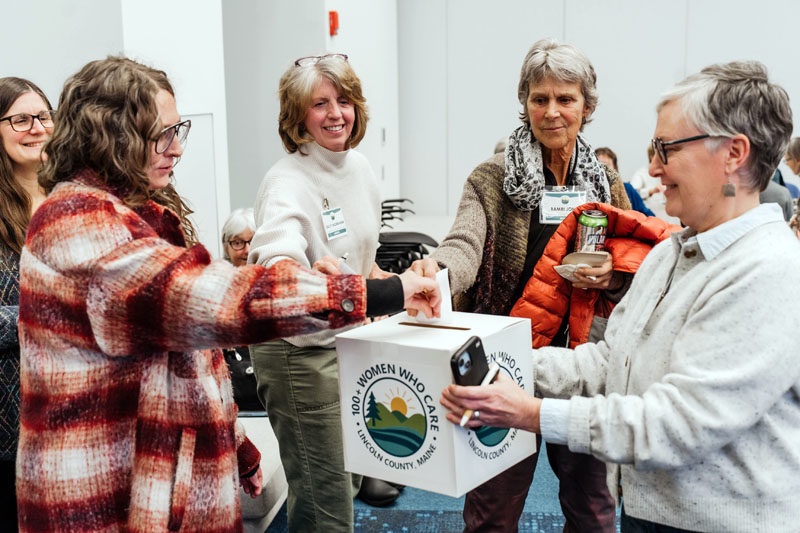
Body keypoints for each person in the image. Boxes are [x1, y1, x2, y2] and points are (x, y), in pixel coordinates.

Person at [15, 56, 439, 533]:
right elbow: (221, 301)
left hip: (160, 475)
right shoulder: (80, 226)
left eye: (179, 131)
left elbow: (190, 358)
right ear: (110, 135)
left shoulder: (139, 214)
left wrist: (235, 444)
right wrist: (382, 292)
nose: (175, 149)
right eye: (161, 134)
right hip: (104, 499)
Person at [441, 60, 800, 532]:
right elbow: (613, 361)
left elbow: (676, 424)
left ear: (733, 153)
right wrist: (505, 365)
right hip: (652, 508)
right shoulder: (671, 255)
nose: (651, 168)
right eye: (654, 149)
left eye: (666, 149)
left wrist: (531, 411)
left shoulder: (766, 272)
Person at [410, 38, 630, 532]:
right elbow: (464, 243)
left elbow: (631, 260)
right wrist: (437, 272)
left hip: (581, 366)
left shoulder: (605, 185)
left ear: (587, 108)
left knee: (593, 510)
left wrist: (611, 276)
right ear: (525, 102)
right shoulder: (490, 179)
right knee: (492, 512)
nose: (551, 112)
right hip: (504, 364)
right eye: (539, 98)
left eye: (565, 99)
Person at [247, 53, 401, 532]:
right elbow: (276, 264)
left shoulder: (358, 168)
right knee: (325, 504)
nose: (336, 113)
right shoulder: (286, 182)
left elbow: (361, 254)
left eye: (345, 100)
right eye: (320, 104)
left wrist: (388, 283)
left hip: (345, 341)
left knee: (344, 484)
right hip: (299, 354)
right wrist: (304, 269)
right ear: (297, 118)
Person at [0, 77, 53, 532]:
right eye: (20, 118)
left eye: (43, 116)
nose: (36, 128)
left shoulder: (69, 199)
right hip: (7, 420)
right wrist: (44, 317)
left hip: (67, 409)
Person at [596, 146, 655, 217]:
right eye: (598, 165)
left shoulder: (628, 189)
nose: (602, 170)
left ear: (615, 168)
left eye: (606, 165)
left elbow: (646, 214)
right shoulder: (588, 192)